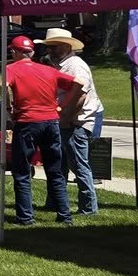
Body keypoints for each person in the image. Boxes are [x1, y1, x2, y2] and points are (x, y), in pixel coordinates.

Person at [0, 34, 81, 226]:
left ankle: (26, 217)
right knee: (55, 171)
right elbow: (78, 83)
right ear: (32, 52)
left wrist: (9, 110)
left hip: (27, 122)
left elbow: (3, 86)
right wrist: (62, 106)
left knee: (22, 171)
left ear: (14, 51)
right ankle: (64, 215)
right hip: (51, 122)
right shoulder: (48, 70)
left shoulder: (10, 69)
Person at [43, 27, 101, 217]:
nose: (51, 51)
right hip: (66, 120)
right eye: (49, 47)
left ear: (67, 46)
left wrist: (67, 119)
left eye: (55, 47)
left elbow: (80, 96)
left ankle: (88, 208)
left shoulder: (75, 65)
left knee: (78, 165)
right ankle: (56, 202)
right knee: (59, 164)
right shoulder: (60, 65)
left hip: (78, 121)